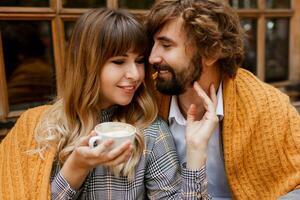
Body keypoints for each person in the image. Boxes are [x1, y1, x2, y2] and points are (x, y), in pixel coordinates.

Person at [0, 8, 218, 200]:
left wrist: (196, 151)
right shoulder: (39, 128)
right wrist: (76, 167)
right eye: (119, 61)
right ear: (88, 65)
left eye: (139, 61)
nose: (134, 74)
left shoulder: (151, 132)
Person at [146, 0, 300, 199]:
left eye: (166, 45)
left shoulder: (269, 106)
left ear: (210, 52)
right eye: (153, 44)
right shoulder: (146, 101)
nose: (152, 57)